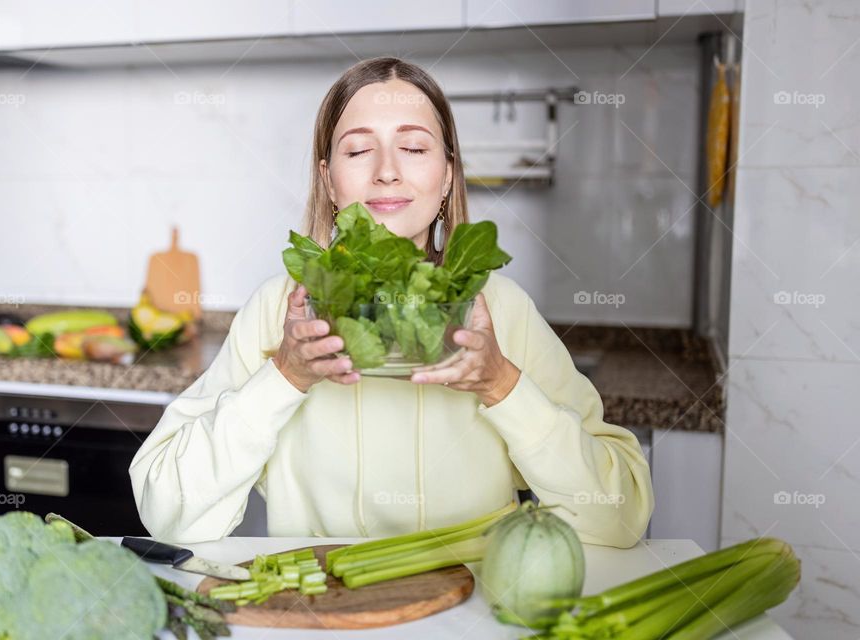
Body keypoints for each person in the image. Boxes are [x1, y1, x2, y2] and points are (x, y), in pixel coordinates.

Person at [129, 57, 654, 547]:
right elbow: (168, 511)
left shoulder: (499, 309)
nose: (386, 171)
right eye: (358, 151)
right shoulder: (278, 310)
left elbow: (622, 516)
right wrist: (284, 376)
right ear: (328, 179)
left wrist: (500, 383)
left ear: (447, 175)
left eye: (415, 148)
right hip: (319, 611)